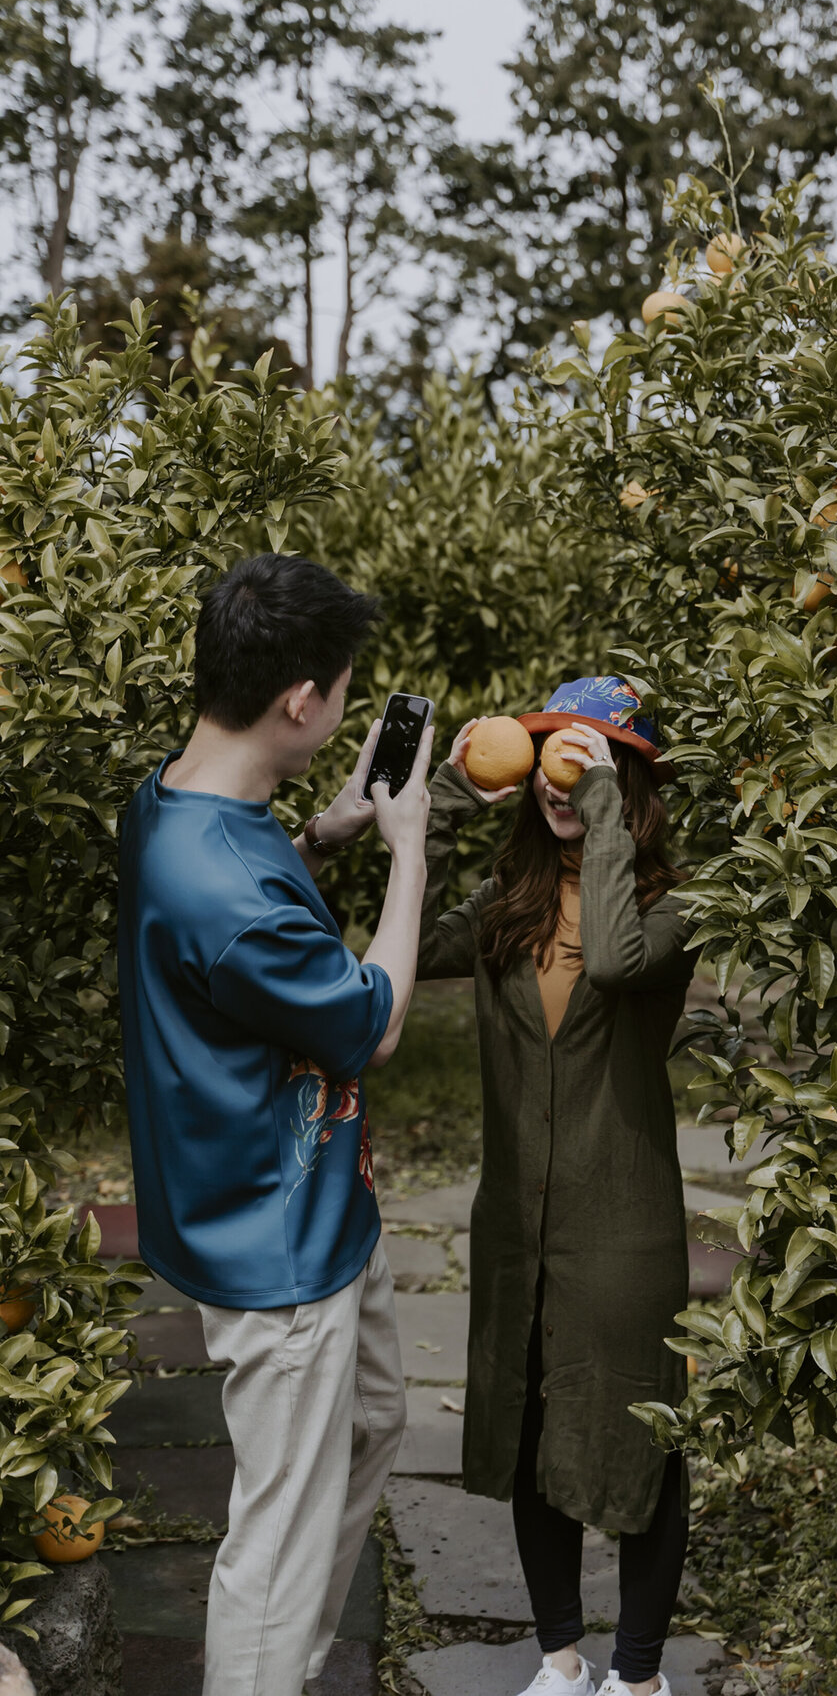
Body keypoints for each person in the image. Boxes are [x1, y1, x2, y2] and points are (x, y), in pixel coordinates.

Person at [118, 552, 431, 1696]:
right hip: (275, 1243)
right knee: (277, 1531)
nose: (345, 703)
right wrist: (408, 851)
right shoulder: (226, 892)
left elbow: (237, 948)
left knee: (372, 1421)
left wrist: (331, 835)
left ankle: (280, 1658)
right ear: (301, 699)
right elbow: (374, 1021)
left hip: (310, 1198)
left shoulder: (185, 799)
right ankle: (261, 1670)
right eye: (343, 686)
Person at [417, 675, 696, 1696]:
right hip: (515, 1223)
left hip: (621, 1226)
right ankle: (561, 1656)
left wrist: (608, 805)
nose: (561, 770)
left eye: (594, 751)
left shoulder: (676, 905)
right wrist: (443, 802)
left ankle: (637, 1674)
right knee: (534, 1427)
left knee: (639, 1436)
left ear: (633, 776)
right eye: (553, 748)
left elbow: (618, 960)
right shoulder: (506, 905)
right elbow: (388, 948)